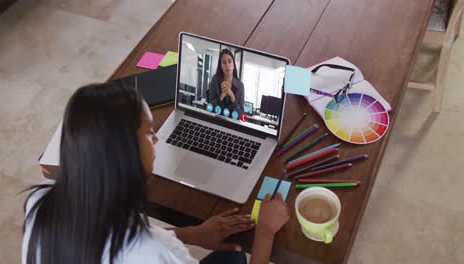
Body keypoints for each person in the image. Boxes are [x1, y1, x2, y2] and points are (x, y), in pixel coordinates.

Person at [22, 82, 290, 264]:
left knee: (231, 256)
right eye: (149, 132)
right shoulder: (157, 252)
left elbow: (112, 240)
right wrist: (265, 233)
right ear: (127, 156)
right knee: (238, 255)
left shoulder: (40, 203)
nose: (157, 139)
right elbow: (148, 247)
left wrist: (192, 234)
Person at [208, 49, 245, 115]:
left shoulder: (240, 86)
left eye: (229, 61)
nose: (227, 65)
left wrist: (232, 96)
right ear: (221, 66)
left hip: (231, 124)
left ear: (233, 65)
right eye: (224, 62)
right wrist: (222, 95)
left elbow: (241, 114)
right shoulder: (215, 80)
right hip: (215, 120)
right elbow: (209, 107)